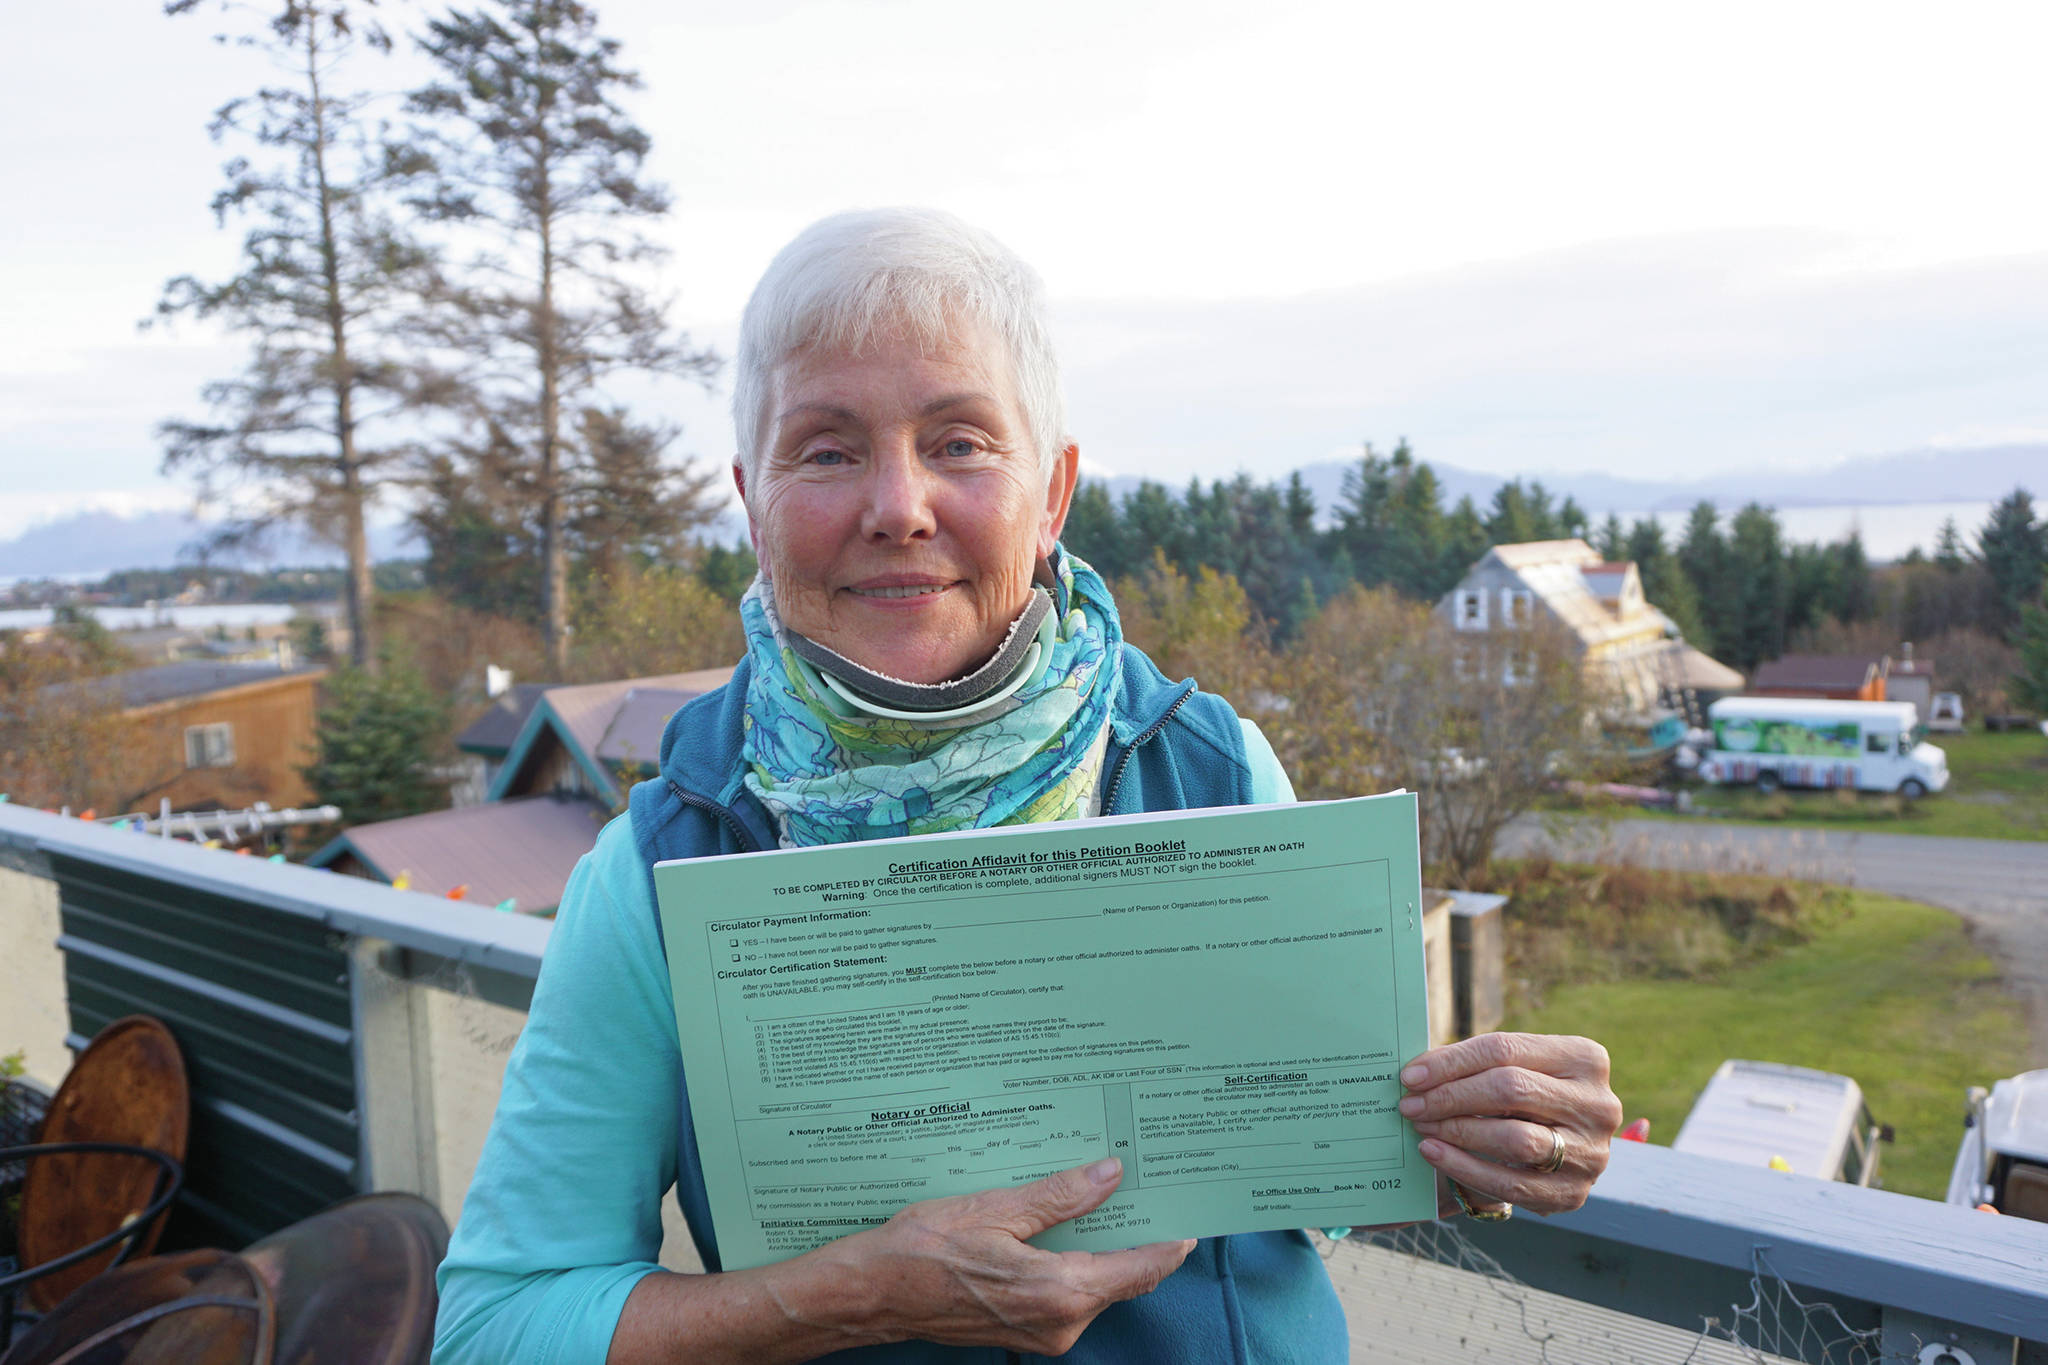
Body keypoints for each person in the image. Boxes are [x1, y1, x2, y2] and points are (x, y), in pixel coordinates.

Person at [432, 208, 1622, 1364]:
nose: (897, 509)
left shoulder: (1209, 773)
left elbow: (1303, 1184)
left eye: (958, 442)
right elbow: (497, 1328)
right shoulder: (665, 861)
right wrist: (834, 1301)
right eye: (828, 450)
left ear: (1051, 493)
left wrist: (1484, 1146)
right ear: (750, 501)